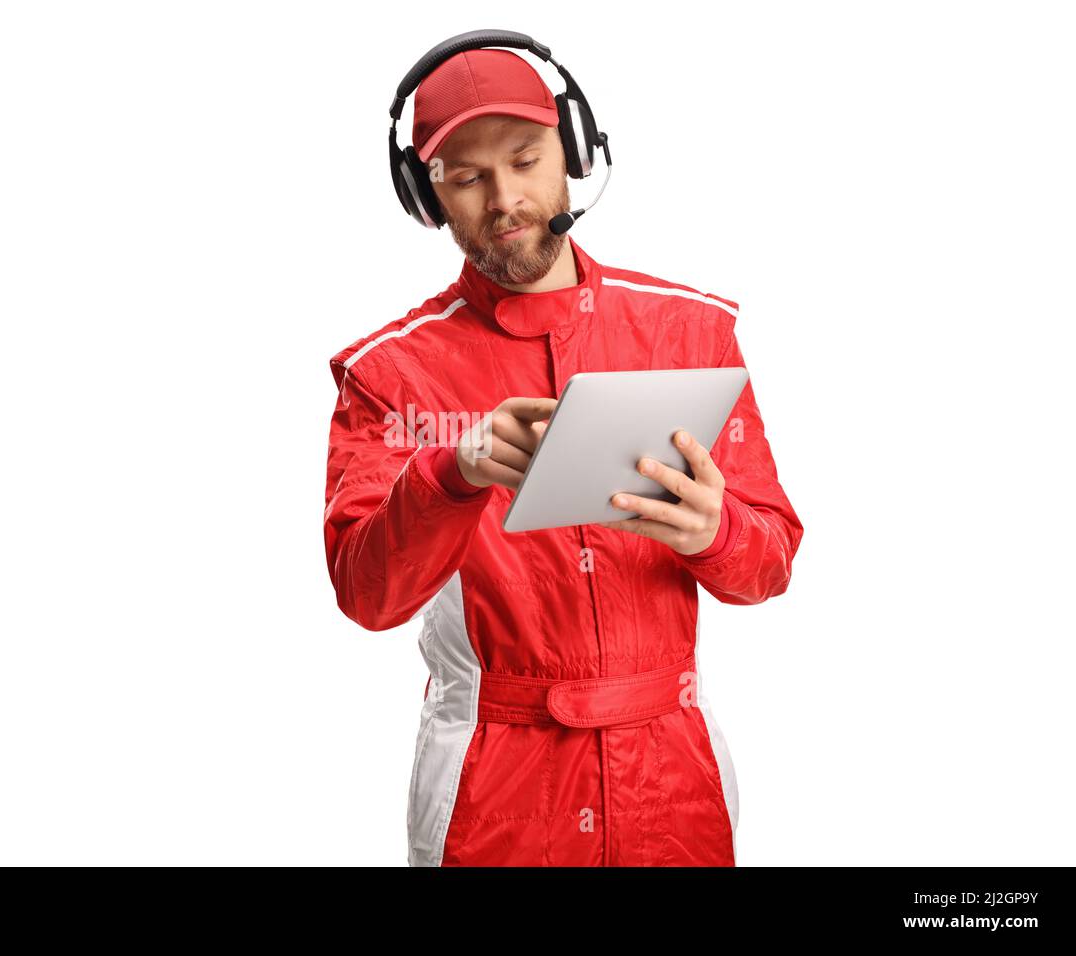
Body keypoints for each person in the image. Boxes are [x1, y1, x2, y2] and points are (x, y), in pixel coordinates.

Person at [323, 36, 803, 866]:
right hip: (496, 789)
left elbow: (771, 565)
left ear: (573, 153)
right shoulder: (387, 373)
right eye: (466, 177)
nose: (505, 199)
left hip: (674, 777)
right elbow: (368, 595)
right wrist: (450, 473)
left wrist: (714, 535)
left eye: (526, 159)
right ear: (425, 196)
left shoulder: (692, 332)